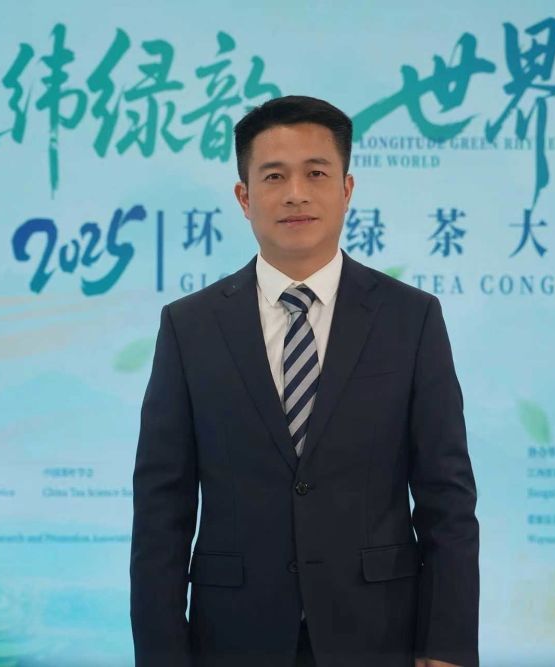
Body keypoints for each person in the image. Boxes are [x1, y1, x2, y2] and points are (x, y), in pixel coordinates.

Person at [131, 95, 479, 667]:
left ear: (346, 189)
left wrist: (447, 648)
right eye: (274, 176)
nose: (296, 193)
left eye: (316, 173)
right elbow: (160, 511)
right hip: (233, 637)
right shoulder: (190, 326)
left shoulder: (410, 318)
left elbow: (448, 498)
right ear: (244, 197)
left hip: (377, 633)